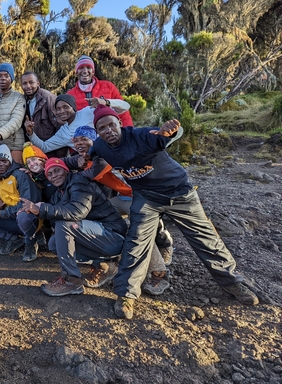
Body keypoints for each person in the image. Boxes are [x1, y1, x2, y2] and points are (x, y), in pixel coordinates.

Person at [90, 105, 259, 319]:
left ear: (120, 124)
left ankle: (232, 283)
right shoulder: (100, 146)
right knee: (136, 241)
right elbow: (91, 154)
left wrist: (172, 131)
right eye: (102, 128)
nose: (108, 131)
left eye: (111, 125)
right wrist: (85, 160)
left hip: (179, 192)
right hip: (146, 197)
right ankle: (126, 295)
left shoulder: (141, 136)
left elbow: (166, 136)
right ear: (97, 132)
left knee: (205, 238)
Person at [63, 126, 171, 294]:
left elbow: (90, 174)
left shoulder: (104, 156)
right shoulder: (83, 157)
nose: (80, 143)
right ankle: (108, 263)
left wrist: (73, 168)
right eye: (76, 140)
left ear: (96, 141)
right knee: (102, 221)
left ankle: (159, 271)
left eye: (84, 139)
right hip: (117, 198)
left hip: (135, 196)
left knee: (137, 230)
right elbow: (64, 162)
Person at [19, 158, 127, 295]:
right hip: (97, 237)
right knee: (54, 243)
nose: (54, 175)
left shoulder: (79, 182)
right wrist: (31, 210)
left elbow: (77, 211)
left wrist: (42, 209)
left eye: (57, 170)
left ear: (66, 170)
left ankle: (72, 280)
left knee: (64, 225)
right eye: (50, 174)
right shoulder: (59, 193)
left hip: (113, 236)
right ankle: (105, 265)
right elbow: (51, 213)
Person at [25, 94, 129, 156]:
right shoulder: (63, 133)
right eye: (58, 109)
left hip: (116, 151)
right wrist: (31, 133)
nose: (62, 111)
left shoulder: (88, 112)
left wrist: (106, 102)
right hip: (93, 162)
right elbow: (45, 147)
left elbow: (125, 106)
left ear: (73, 107)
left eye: (66, 107)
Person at [67, 55, 133, 127]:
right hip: (84, 136)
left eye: (88, 67)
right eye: (81, 68)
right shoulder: (70, 95)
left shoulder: (108, 86)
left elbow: (123, 113)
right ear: (76, 72)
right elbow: (68, 120)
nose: (85, 71)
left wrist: (128, 131)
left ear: (93, 72)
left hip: (108, 132)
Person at [20, 71, 63, 157]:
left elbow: (60, 126)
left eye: (31, 82)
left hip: (51, 150)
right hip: (34, 149)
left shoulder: (48, 98)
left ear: (38, 83)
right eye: (24, 83)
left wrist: (60, 154)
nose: (28, 86)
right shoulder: (22, 100)